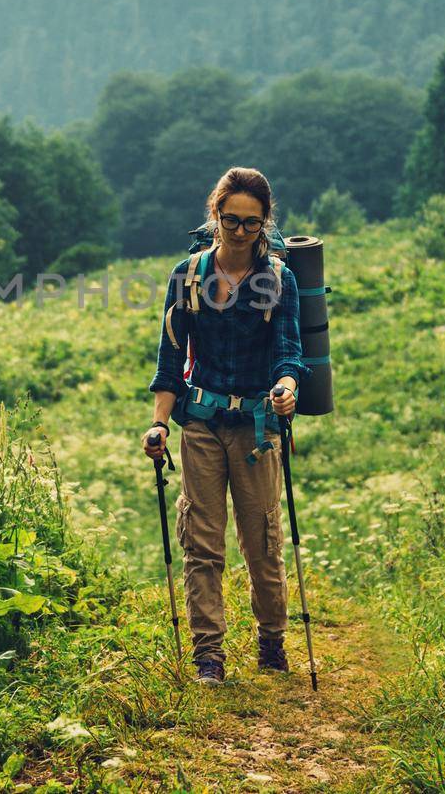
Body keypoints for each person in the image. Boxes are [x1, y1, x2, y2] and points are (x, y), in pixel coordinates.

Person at [143, 167, 303, 684]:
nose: (239, 231)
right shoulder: (187, 276)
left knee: (261, 539)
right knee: (203, 541)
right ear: (215, 216)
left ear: (265, 224)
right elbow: (170, 360)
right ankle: (208, 655)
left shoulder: (279, 280)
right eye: (230, 220)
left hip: (257, 426)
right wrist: (159, 425)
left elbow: (288, 353)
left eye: (251, 223)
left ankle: (271, 642)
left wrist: (287, 389)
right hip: (203, 424)